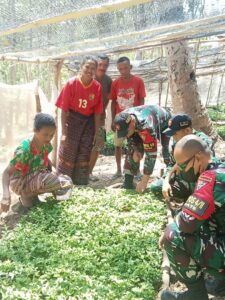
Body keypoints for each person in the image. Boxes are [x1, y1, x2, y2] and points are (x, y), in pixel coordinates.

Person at [160, 135, 225, 300]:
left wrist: (171, 226)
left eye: (182, 166)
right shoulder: (220, 168)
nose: (180, 171)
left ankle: (196, 296)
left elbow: (186, 223)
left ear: (198, 158)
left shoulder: (211, 177)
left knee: (173, 235)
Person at [1, 113, 73, 212]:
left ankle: (34, 195)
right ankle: (25, 196)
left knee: (67, 181)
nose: (49, 138)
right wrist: (6, 195)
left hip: (36, 177)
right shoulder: (24, 150)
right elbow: (6, 173)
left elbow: (46, 161)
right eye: (45, 134)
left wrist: (53, 176)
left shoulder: (46, 145)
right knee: (53, 181)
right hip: (20, 183)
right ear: (35, 130)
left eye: (52, 135)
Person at [56, 56, 103, 185]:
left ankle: (80, 182)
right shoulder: (71, 84)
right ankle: (63, 183)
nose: (90, 70)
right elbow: (64, 110)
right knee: (68, 151)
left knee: (84, 151)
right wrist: (64, 133)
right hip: (72, 121)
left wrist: (97, 132)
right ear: (81, 67)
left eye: (93, 68)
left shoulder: (97, 87)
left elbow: (97, 113)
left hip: (88, 123)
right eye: (87, 67)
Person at [150, 113, 215, 201]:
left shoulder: (202, 141)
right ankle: (186, 198)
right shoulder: (176, 142)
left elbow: (206, 165)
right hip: (183, 180)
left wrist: (177, 167)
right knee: (156, 187)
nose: (173, 137)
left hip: (202, 181)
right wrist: (166, 180)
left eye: (175, 134)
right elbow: (172, 163)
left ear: (187, 130)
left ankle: (194, 198)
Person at [113, 105, 171, 192]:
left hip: (164, 122)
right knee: (133, 153)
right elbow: (130, 139)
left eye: (126, 132)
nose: (126, 135)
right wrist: (136, 149)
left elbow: (151, 155)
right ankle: (128, 182)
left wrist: (144, 182)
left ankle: (170, 179)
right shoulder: (122, 117)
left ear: (132, 122)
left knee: (167, 150)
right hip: (138, 126)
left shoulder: (147, 126)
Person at [110, 56, 146, 179]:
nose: (123, 71)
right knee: (118, 145)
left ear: (130, 67)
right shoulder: (115, 83)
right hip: (120, 120)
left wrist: (140, 119)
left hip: (134, 121)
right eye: (120, 69)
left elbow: (142, 101)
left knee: (136, 144)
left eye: (125, 68)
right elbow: (113, 102)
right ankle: (119, 170)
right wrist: (113, 120)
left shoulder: (138, 81)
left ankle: (137, 170)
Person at [89, 54, 112, 182]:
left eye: (105, 65)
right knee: (85, 143)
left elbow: (108, 99)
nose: (103, 67)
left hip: (101, 117)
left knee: (98, 144)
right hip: (86, 117)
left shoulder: (108, 81)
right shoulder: (88, 77)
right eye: (101, 65)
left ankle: (90, 172)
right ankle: (81, 171)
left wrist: (102, 110)